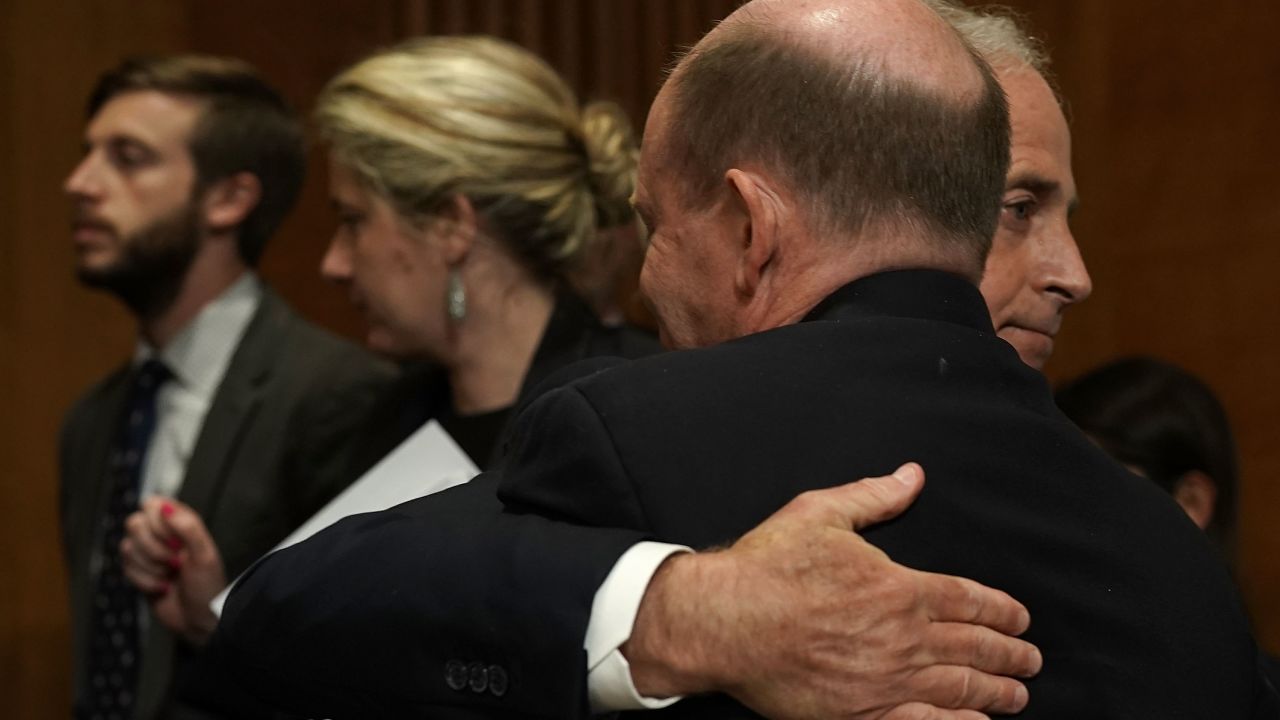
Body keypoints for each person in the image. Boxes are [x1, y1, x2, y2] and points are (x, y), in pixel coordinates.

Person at [120, 35, 664, 651]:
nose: (333, 263)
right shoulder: (370, 424)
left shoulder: (641, 413)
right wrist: (220, 618)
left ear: (453, 226)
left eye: (353, 222)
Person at [59, 55, 392, 719]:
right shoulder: (91, 421)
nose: (79, 183)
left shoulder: (341, 395)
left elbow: (364, 669)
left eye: (128, 158)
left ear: (230, 199)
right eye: (87, 153)